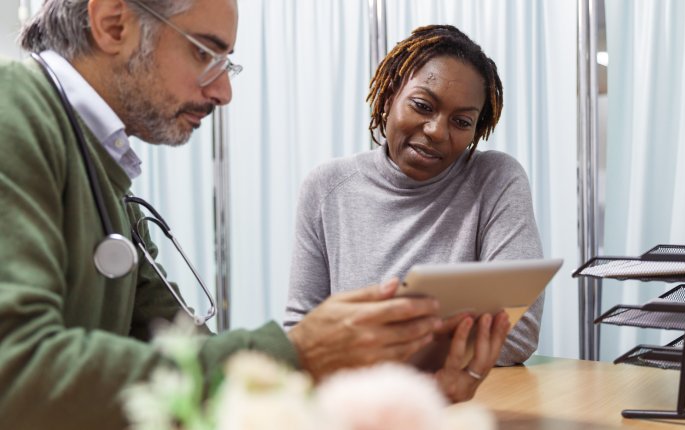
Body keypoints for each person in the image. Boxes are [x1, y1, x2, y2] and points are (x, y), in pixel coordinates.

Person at [0, 1, 481, 429]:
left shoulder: (101, 168)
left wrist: (385, 388)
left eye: (226, 63)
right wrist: (301, 353)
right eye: (205, 54)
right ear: (113, 23)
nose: (223, 91)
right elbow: (16, 373)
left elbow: (183, 355)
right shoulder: (13, 112)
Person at [284, 24, 544, 394]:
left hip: (464, 403)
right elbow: (300, 335)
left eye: (462, 122)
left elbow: (518, 332)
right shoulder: (326, 187)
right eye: (423, 105)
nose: (438, 131)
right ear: (390, 96)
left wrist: (359, 347)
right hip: (354, 405)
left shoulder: (496, 180)